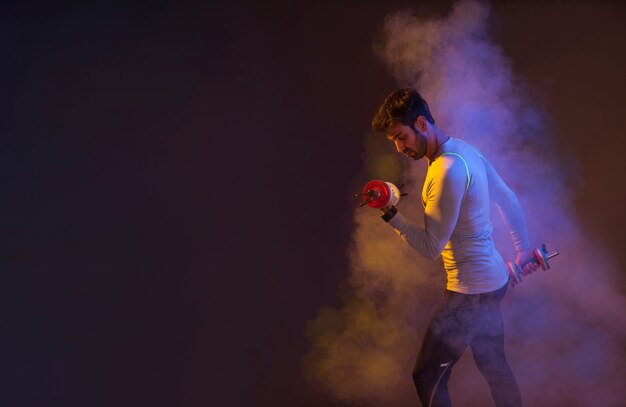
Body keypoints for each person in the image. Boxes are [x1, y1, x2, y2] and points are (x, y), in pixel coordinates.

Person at [370, 88, 538, 407]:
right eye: (393, 141)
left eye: (401, 137)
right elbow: (508, 198)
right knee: (493, 365)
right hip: (493, 284)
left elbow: (432, 247)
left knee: (426, 377)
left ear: (421, 123)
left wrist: (391, 215)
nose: (399, 148)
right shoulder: (466, 150)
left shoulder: (446, 170)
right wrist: (524, 249)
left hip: (469, 296)